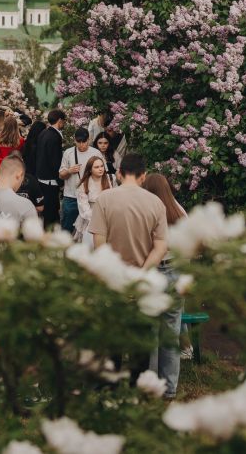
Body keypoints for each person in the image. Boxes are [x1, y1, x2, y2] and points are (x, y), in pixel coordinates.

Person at [89, 154, 180, 399]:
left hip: (112, 281)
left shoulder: (104, 199)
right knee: (140, 341)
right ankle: (136, 393)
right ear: (143, 176)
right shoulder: (156, 203)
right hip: (142, 282)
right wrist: (141, 273)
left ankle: (108, 392)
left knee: (111, 340)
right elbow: (161, 246)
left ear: (119, 173)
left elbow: (99, 244)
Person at [140, 173, 193, 362]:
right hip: (176, 268)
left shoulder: (149, 211)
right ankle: (184, 349)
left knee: (154, 319)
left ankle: (153, 363)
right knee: (175, 316)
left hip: (155, 268)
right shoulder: (178, 209)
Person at [59, 127, 102, 234]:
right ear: (74, 140)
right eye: (79, 142)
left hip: (90, 198)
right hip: (71, 197)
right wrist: (69, 171)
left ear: (89, 140)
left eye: (84, 142)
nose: (81, 145)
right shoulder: (68, 153)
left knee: (88, 231)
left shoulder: (96, 153)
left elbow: (103, 173)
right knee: (67, 229)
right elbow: (61, 175)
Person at [33, 109, 67, 227]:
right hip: (50, 180)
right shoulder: (55, 136)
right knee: (51, 212)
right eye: (64, 121)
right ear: (60, 120)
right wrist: (60, 181)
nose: (64, 123)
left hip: (41, 177)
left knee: (47, 211)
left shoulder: (43, 133)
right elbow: (55, 161)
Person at [74, 157, 113, 244]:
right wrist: (99, 220)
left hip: (107, 217)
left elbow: (111, 200)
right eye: (96, 167)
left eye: (102, 166)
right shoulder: (84, 185)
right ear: (90, 170)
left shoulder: (108, 179)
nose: (100, 169)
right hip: (90, 219)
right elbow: (84, 209)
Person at [0, 113, 27, 180]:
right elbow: (22, 152)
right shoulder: (20, 140)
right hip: (13, 166)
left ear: (4, 126)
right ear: (16, 126)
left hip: (0, 165)